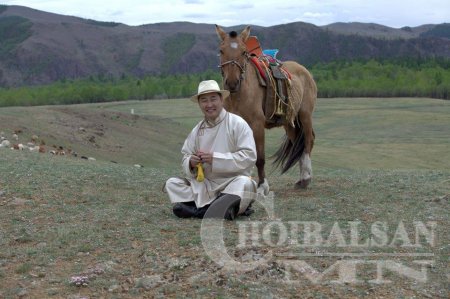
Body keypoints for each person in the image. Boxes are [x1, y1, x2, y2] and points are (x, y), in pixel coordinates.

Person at [164, 80, 257, 220]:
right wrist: (191, 162)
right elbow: (185, 156)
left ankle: (197, 211)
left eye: (213, 99)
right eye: (204, 101)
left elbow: (249, 157)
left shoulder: (237, 124)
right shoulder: (197, 130)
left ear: (221, 99)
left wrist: (215, 159)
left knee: (245, 183)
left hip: (232, 182)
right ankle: (221, 209)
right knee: (172, 183)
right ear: (199, 104)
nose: (209, 105)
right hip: (205, 185)